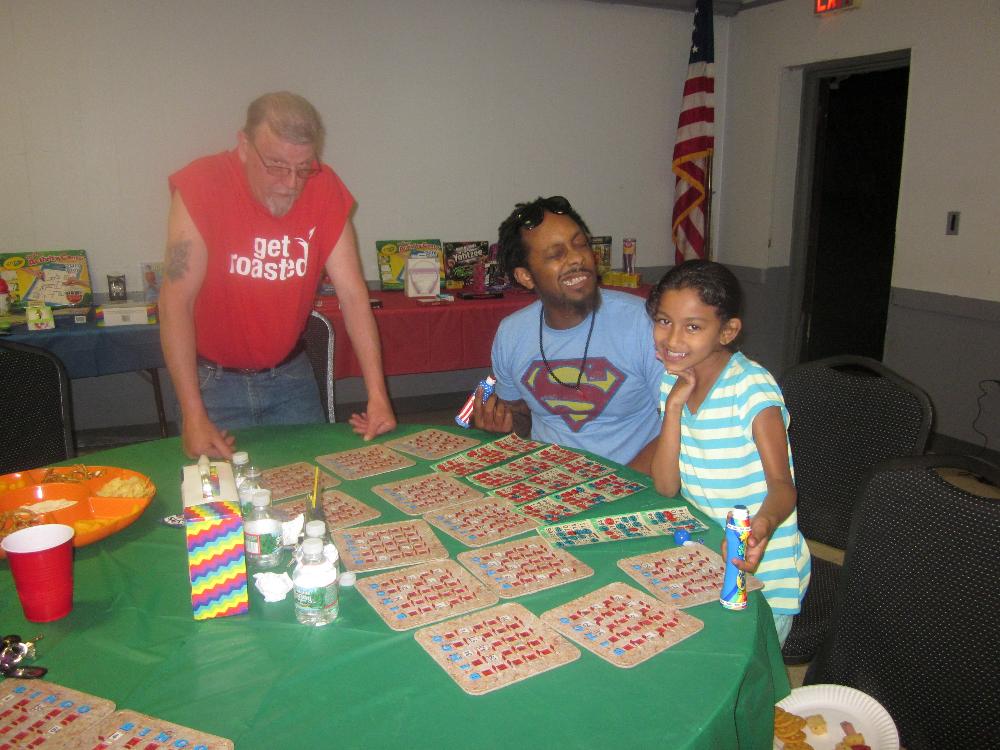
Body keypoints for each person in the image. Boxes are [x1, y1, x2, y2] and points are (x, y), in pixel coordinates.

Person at [160, 92, 396, 459]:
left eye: (303, 168)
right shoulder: (201, 185)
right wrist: (193, 413)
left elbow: (353, 297)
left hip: (290, 378)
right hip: (212, 383)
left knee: (315, 484)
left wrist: (378, 395)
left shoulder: (325, 187)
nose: (291, 183)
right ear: (243, 145)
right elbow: (176, 302)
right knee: (222, 504)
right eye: (276, 166)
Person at [647, 259, 810, 644]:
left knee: (749, 676)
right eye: (663, 321)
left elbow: (782, 487)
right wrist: (673, 408)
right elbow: (667, 486)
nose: (672, 340)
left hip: (764, 569)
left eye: (693, 327)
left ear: (727, 331)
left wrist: (762, 527)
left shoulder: (751, 389)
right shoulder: (671, 384)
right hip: (707, 558)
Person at [472, 196, 661, 472]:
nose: (576, 259)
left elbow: (682, 428)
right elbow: (520, 416)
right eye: (556, 254)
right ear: (526, 277)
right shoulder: (512, 333)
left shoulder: (644, 323)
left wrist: (618, 486)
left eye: (580, 244)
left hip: (634, 483)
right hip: (550, 484)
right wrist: (502, 425)